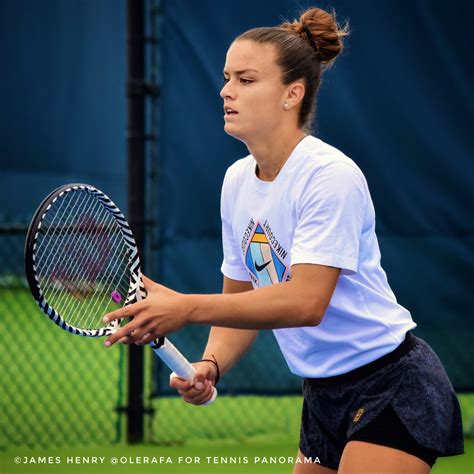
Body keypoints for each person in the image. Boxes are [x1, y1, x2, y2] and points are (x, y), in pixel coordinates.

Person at [103, 7, 464, 473]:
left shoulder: (330, 176)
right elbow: (241, 303)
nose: (226, 91)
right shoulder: (236, 181)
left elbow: (305, 302)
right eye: (227, 77)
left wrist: (186, 307)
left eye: (247, 80)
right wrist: (211, 364)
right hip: (321, 394)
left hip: (391, 385)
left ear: (293, 93)